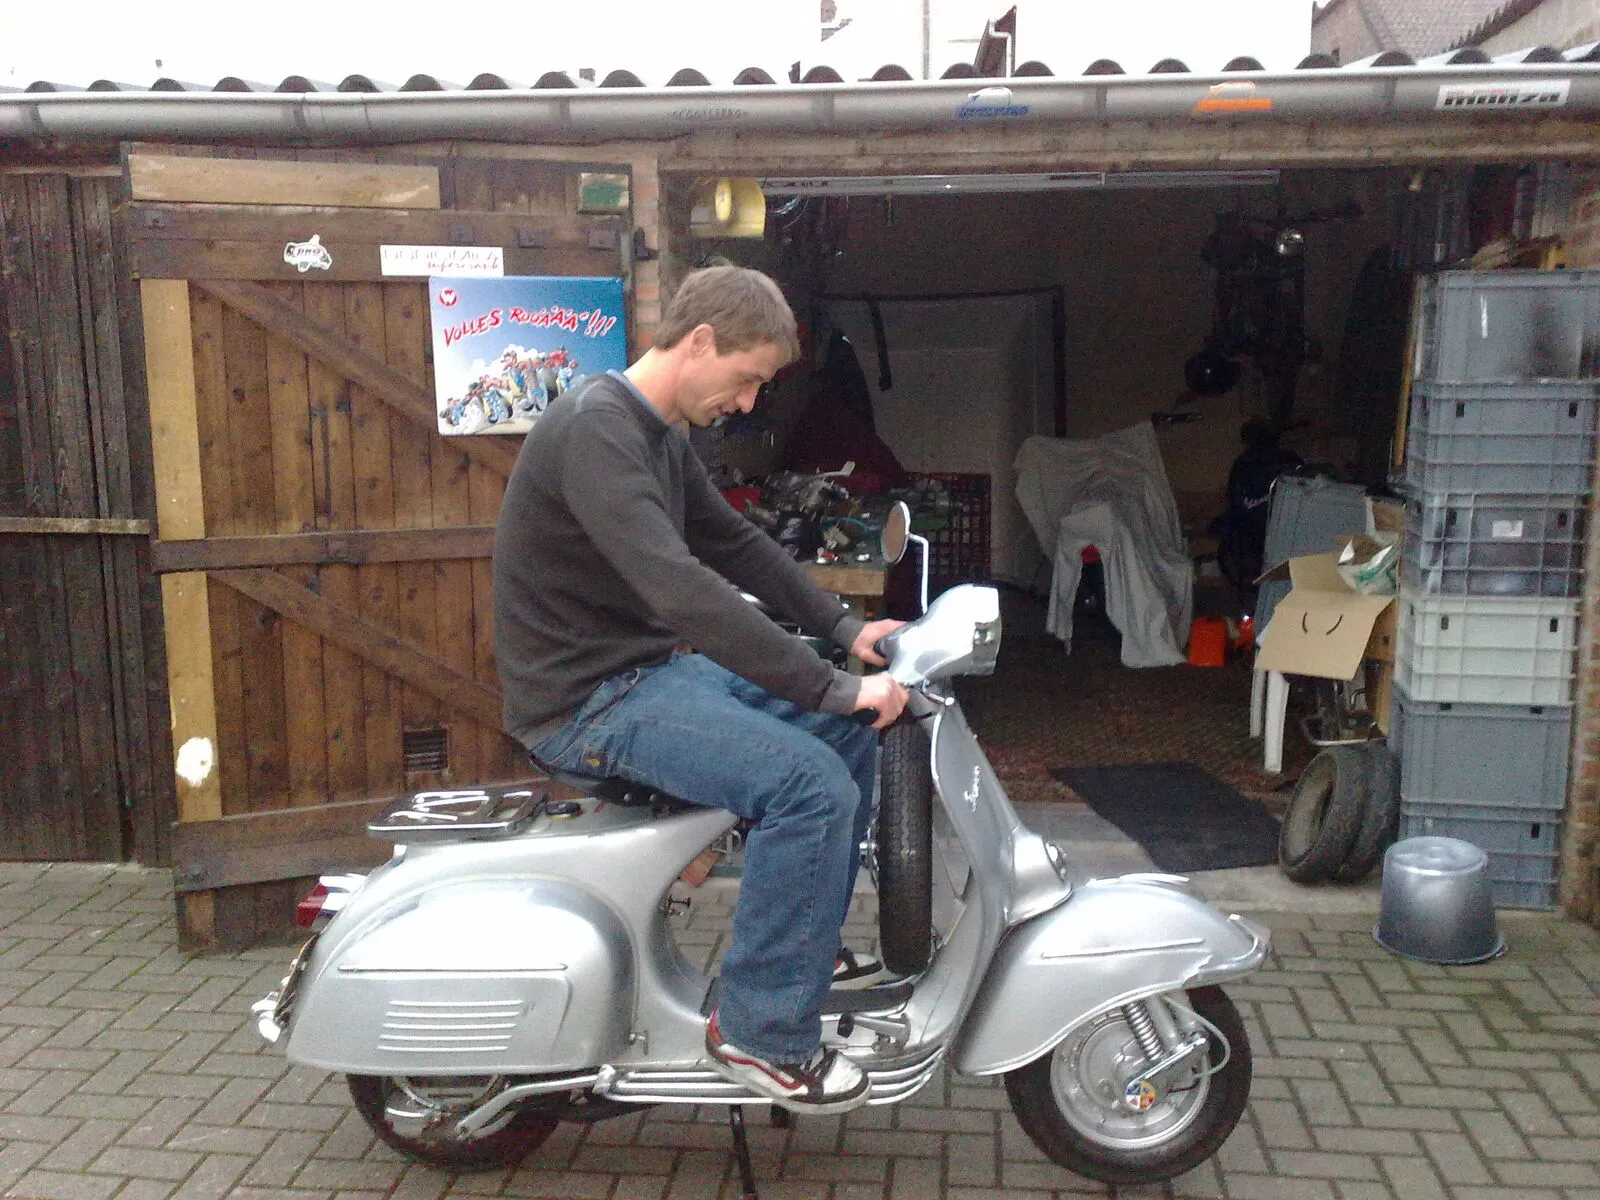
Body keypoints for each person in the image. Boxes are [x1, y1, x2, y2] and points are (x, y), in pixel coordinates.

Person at [492, 266, 909, 1114]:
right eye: (747, 379)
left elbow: (733, 543)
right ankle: (761, 1035)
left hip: (646, 675)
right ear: (700, 341)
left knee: (846, 738)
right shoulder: (596, 429)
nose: (748, 404)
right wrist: (830, 686)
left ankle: (799, 951)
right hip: (586, 704)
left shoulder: (656, 434)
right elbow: (679, 588)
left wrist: (843, 631)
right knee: (811, 783)